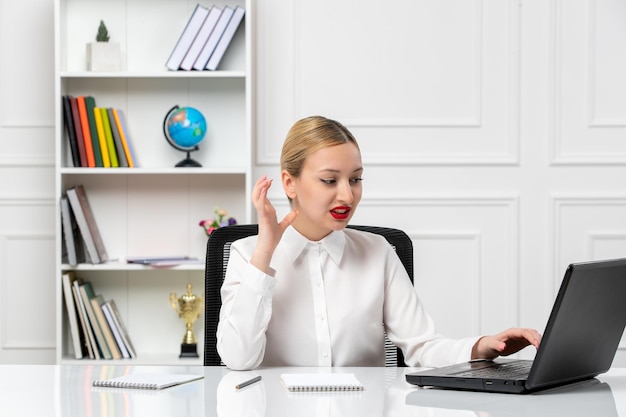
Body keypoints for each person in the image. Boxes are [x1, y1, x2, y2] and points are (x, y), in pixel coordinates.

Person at [217, 115, 541, 370]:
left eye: (356, 179)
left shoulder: (378, 252)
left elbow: (422, 346)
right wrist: (265, 253)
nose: (347, 194)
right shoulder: (246, 255)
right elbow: (238, 359)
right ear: (289, 182)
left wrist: (482, 347)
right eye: (330, 180)